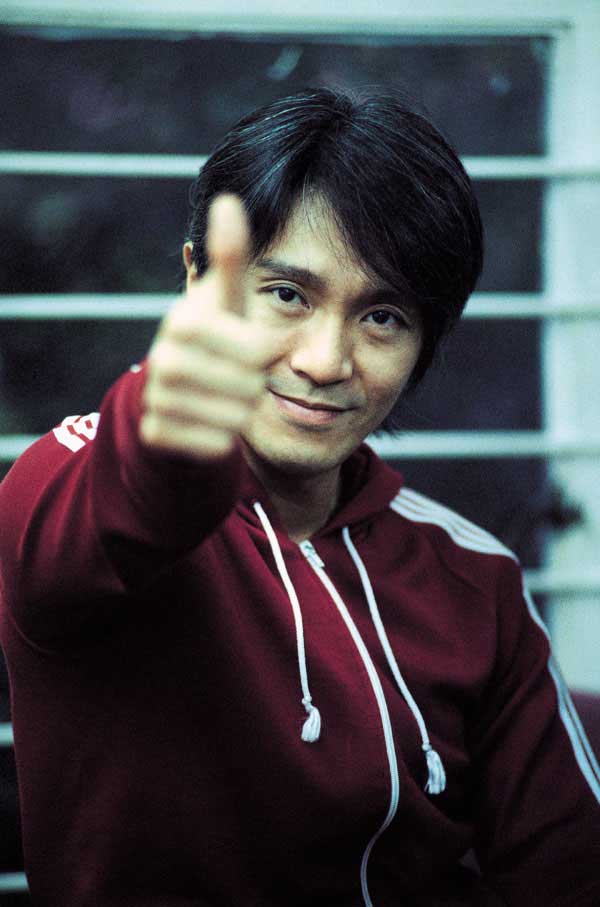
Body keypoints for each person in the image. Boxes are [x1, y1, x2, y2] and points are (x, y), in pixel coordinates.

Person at [0, 87, 599, 907]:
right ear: (197, 278)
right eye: (287, 293)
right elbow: (131, 500)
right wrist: (171, 426)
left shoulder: (475, 577)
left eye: (382, 316)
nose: (324, 360)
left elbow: (569, 868)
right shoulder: (65, 483)